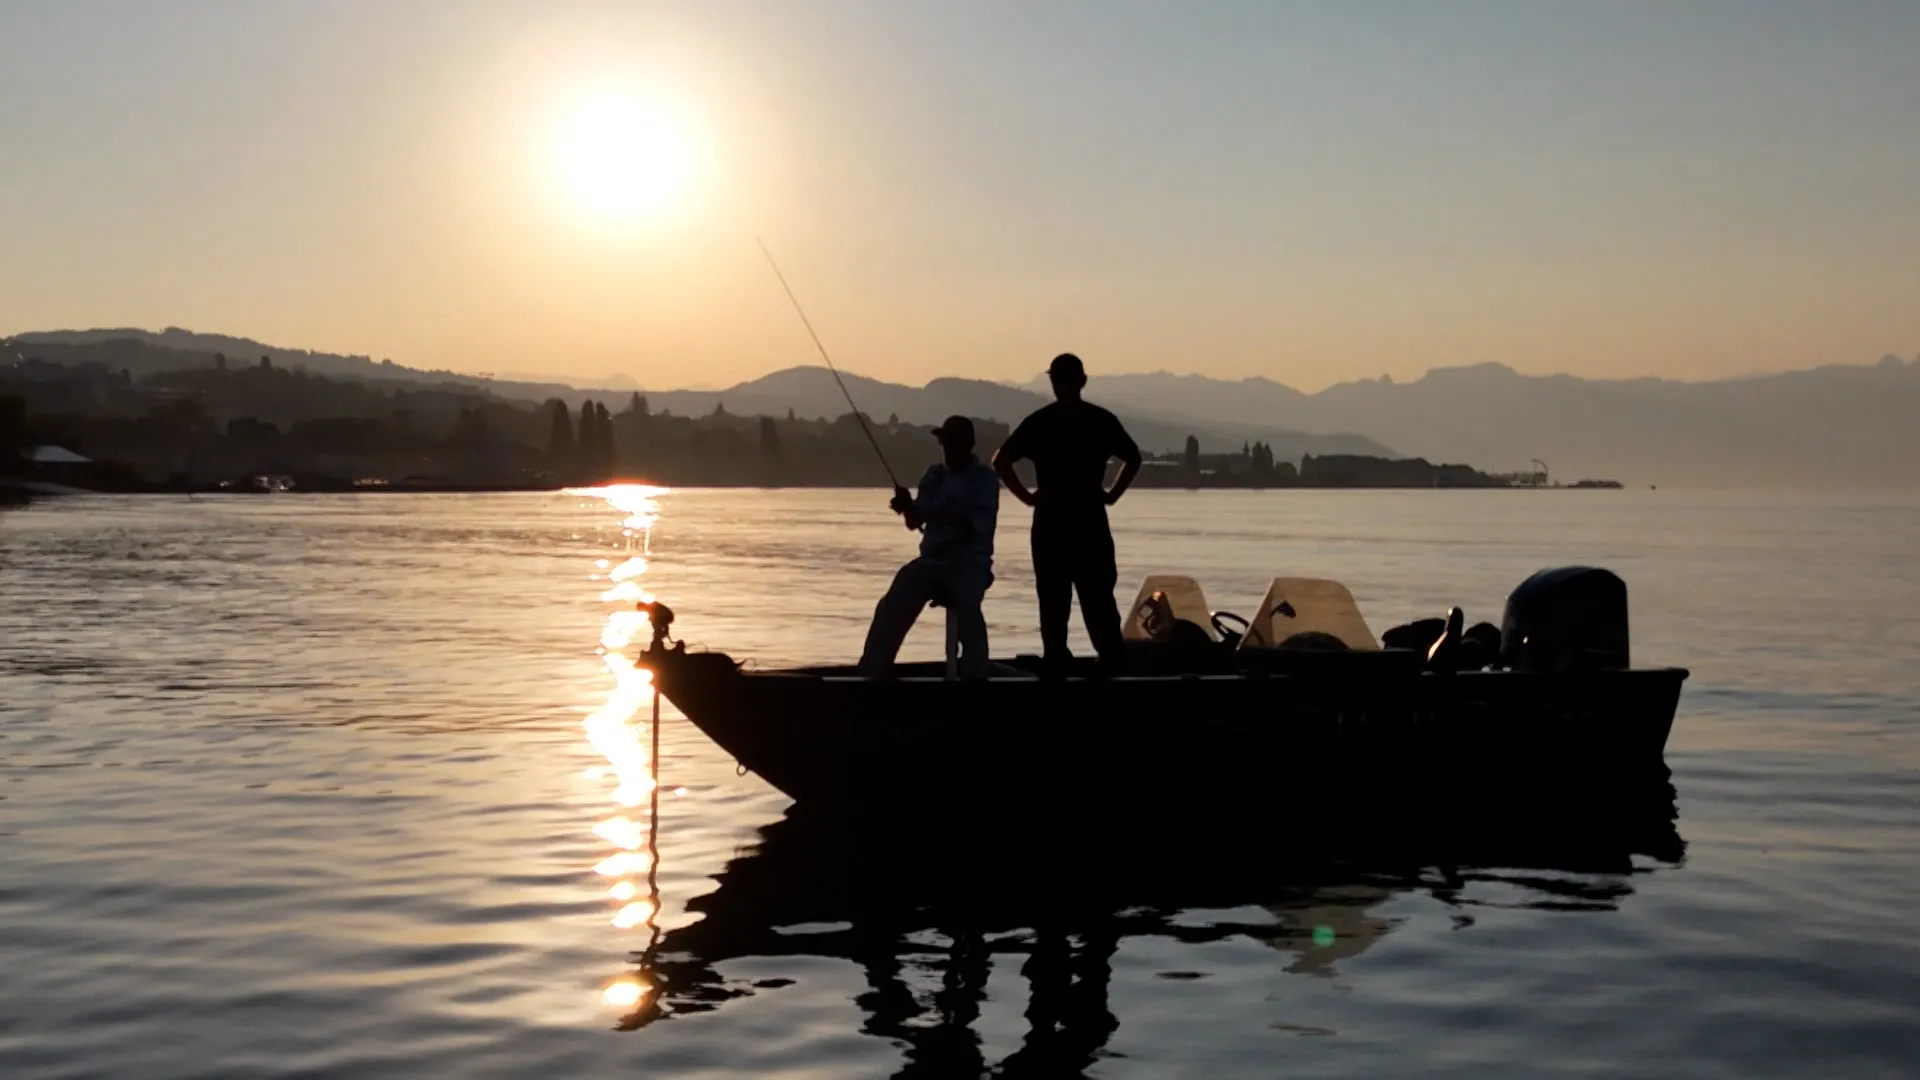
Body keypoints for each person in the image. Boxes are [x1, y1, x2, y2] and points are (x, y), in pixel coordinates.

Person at [992, 353, 1141, 673]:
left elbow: (1001, 462)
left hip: (1051, 520)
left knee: (1053, 598)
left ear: (1054, 383)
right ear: (1082, 381)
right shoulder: (1100, 420)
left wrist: (1028, 499)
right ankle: (1113, 663)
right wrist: (1111, 495)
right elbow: (1134, 458)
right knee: (1098, 595)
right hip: (1089, 519)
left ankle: (1057, 662)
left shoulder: (1039, 421)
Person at [856, 415, 1000, 679]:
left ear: (968, 444)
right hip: (931, 563)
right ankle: (871, 671)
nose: (946, 447)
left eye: (952, 441)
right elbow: (915, 521)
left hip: (969, 564)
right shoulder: (933, 475)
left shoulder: (985, 480)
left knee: (968, 608)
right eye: (944, 441)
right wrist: (907, 508)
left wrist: (925, 511)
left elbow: (968, 524)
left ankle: (975, 676)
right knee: (892, 604)